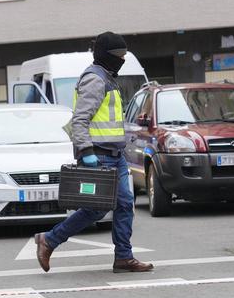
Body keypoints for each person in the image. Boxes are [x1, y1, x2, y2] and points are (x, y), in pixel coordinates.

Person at [35, 32, 154, 273]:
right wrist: (86, 151)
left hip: (114, 155)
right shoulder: (95, 79)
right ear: (103, 55)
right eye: (117, 55)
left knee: (124, 205)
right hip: (98, 156)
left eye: (124, 55)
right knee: (97, 209)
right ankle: (49, 240)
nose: (121, 59)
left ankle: (123, 257)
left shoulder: (107, 77)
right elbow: (80, 120)